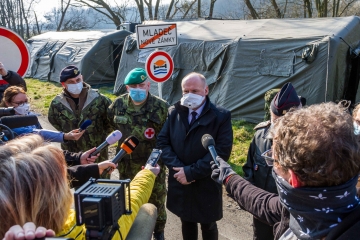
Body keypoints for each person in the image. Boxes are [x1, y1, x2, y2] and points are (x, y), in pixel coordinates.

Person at [212, 102, 360, 239]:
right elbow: (265, 204)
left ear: (293, 179)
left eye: (273, 160)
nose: (272, 165)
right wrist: (229, 177)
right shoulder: (311, 208)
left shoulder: (306, 209)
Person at [0, 134, 161, 239]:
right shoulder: (87, 232)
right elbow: (130, 201)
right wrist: (148, 173)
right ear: (54, 198)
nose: (68, 178)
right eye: (64, 178)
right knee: (147, 211)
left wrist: (94, 168)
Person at [157, 72, 233, 240]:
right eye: (186, 91)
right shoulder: (174, 112)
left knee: (208, 223)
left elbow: (221, 151)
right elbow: (163, 142)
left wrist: (191, 172)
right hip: (179, 179)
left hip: (206, 181)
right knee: (186, 221)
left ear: (206, 90)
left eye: (195, 91)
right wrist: (180, 169)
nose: (189, 95)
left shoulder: (221, 116)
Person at [107, 68, 168, 240]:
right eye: (133, 85)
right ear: (127, 88)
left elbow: (166, 138)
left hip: (153, 166)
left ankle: (159, 232)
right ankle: (130, 231)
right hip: (126, 166)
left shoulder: (161, 107)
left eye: (142, 85)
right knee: (128, 201)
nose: (138, 88)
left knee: (156, 200)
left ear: (148, 85)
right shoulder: (117, 105)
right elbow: (112, 128)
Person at [242, 82, 302, 240]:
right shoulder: (260, 135)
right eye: (275, 120)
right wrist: (250, 198)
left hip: (289, 216)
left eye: (282, 123)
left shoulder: (307, 145)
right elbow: (249, 168)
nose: (277, 127)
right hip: (261, 209)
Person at [48, 65, 112, 162]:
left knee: (100, 176)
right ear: (63, 84)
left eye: (78, 80)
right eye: (71, 82)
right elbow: (53, 121)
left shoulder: (99, 99)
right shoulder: (57, 103)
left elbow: (110, 121)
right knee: (74, 176)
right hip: (72, 155)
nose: (76, 83)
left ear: (82, 78)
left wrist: (99, 135)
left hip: (97, 153)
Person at [0, 86, 84, 142]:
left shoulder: (30, 115)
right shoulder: (6, 122)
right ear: (8, 103)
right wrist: (64, 136)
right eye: (19, 103)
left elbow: (40, 131)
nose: (24, 105)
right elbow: (37, 133)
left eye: (26, 101)